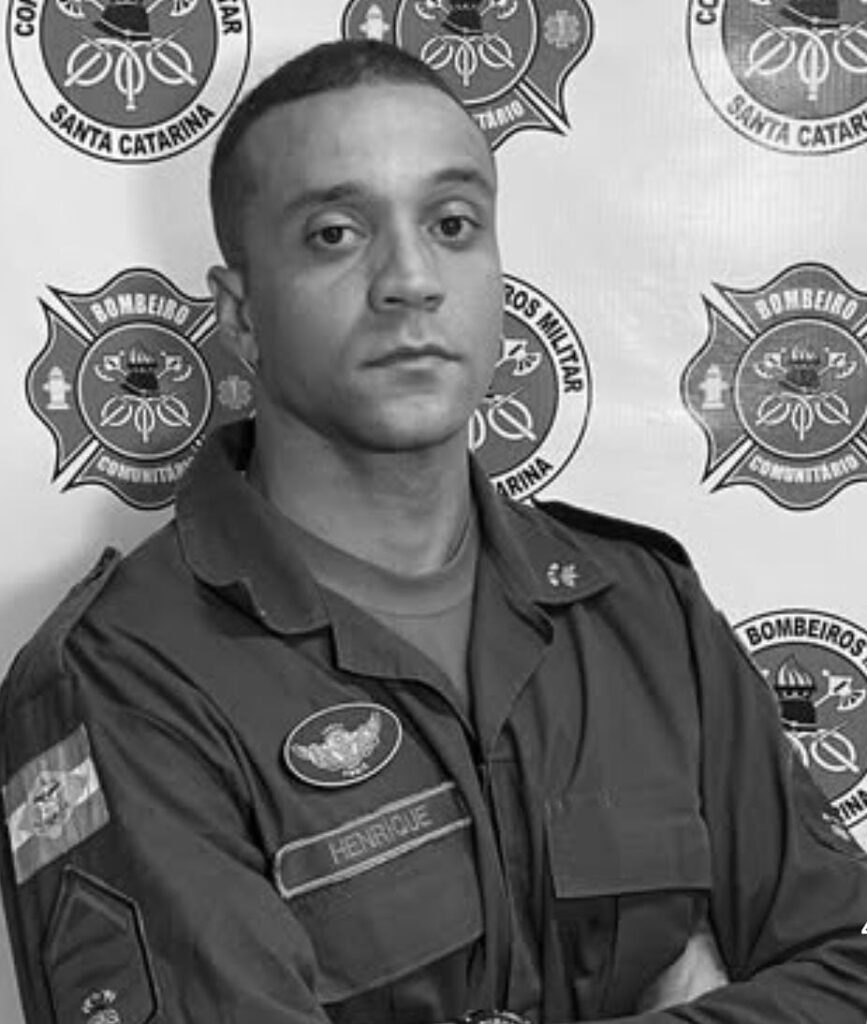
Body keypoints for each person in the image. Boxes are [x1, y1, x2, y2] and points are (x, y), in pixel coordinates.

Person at [1, 37, 866, 1024]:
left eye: (453, 224)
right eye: (335, 234)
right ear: (239, 317)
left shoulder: (642, 608)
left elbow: (847, 969)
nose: (410, 278)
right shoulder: (125, 677)